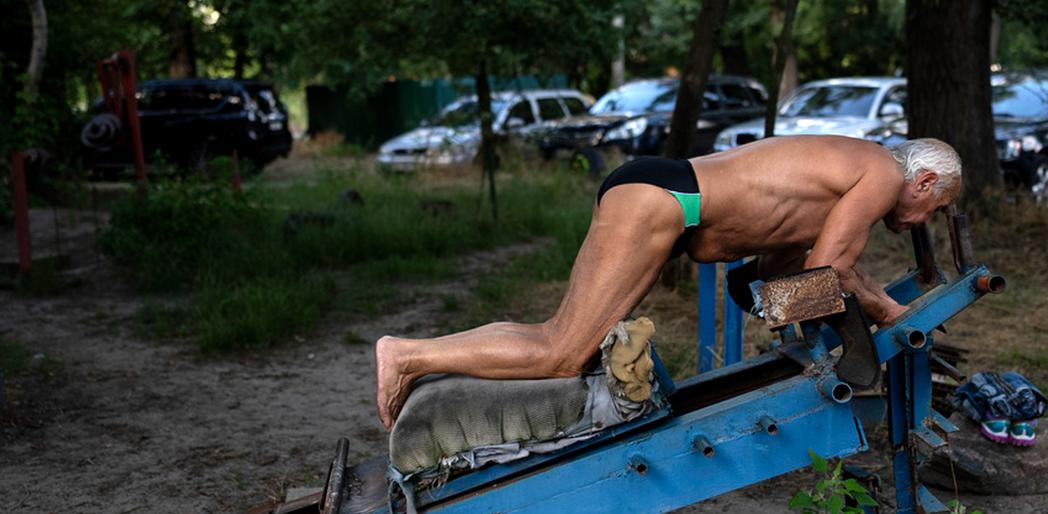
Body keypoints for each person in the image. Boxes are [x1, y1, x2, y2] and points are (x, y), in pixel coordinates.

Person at [375, 135, 962, 430]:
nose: (924, 220)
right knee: (563, 352)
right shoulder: (884, 173)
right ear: (925, 180)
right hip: (665, 202)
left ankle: (417, 358)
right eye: (935, 208)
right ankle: (408, 354)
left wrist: (792, 314)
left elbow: (778, 281)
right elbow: (832, 266)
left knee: (558, 337)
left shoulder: (844, 174)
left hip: (664, 194)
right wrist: (886, 311)